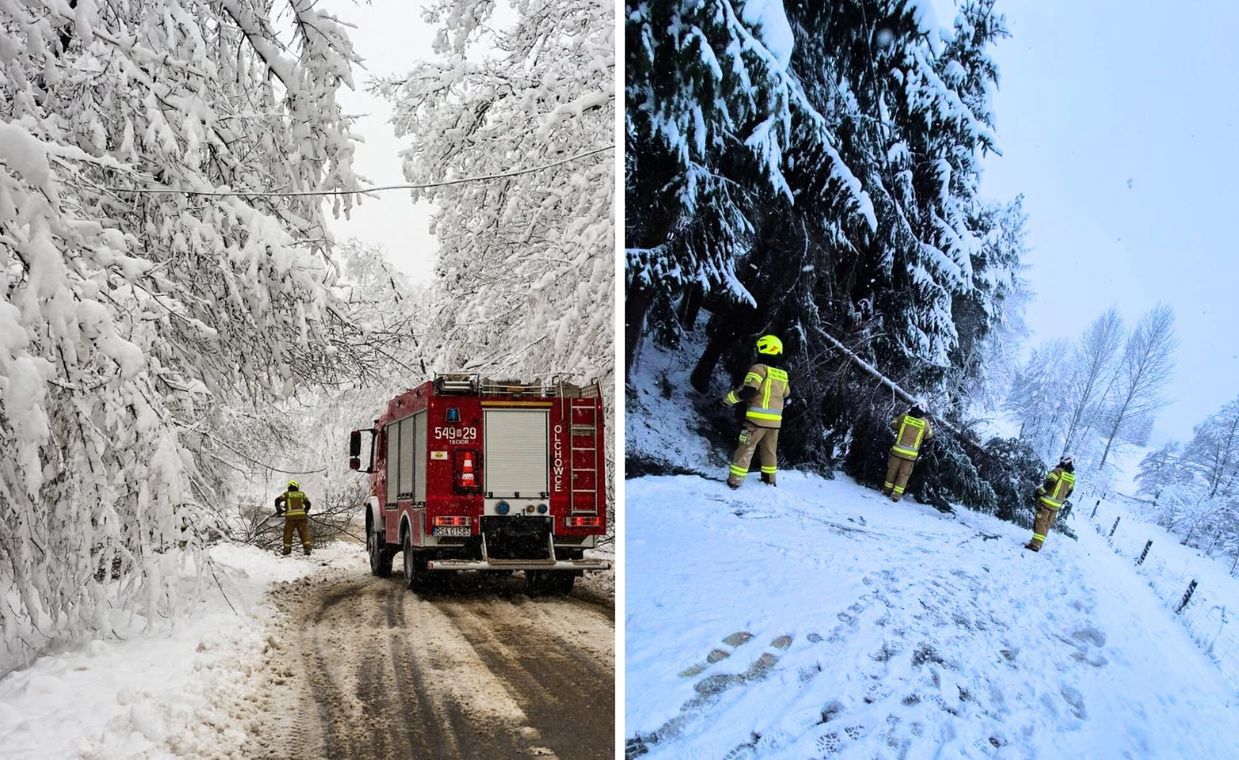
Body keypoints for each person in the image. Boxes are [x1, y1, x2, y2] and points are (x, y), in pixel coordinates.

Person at [723, 335, 791, 489]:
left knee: (745, 448)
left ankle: (734, 481)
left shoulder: (758, 368)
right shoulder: (783, 374)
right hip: (774, 423)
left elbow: (747, 392)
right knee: (769, 451)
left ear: (764, 348)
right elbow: (786, 396)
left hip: (755, 421)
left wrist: (724, 401)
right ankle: (769, 479)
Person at [882, 401, 934, 502]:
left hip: (897, 452)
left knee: (891, 472)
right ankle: (896, 496)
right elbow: (929, 435)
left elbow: (893, 424)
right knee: (904, 476)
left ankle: (887, 491)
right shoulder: (925, 424)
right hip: (910, 456)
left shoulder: (904, 417)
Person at [1026, 456, 1076, 552]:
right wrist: (1061, 499)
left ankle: (1035, 545)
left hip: (1046, 503)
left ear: (1064, 461)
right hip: (1056, 507)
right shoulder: (1072, 478)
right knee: (1047, 525)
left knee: (1040, 522)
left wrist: (1039, 492)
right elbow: (1069, 493)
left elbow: (1049, 484)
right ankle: (1037, 543)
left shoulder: (1057, 471)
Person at [275, 480, 313, 556]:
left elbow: (277, 500)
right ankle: (307, 549)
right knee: (304, 533)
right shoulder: (301, 494)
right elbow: (308, 504)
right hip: (301, 518)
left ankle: (287, 551)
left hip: (290, 518)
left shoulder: (287, 494)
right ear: (296, 486)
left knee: (288, 534)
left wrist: (279, 510)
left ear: (289, 486)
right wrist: (305, 511)